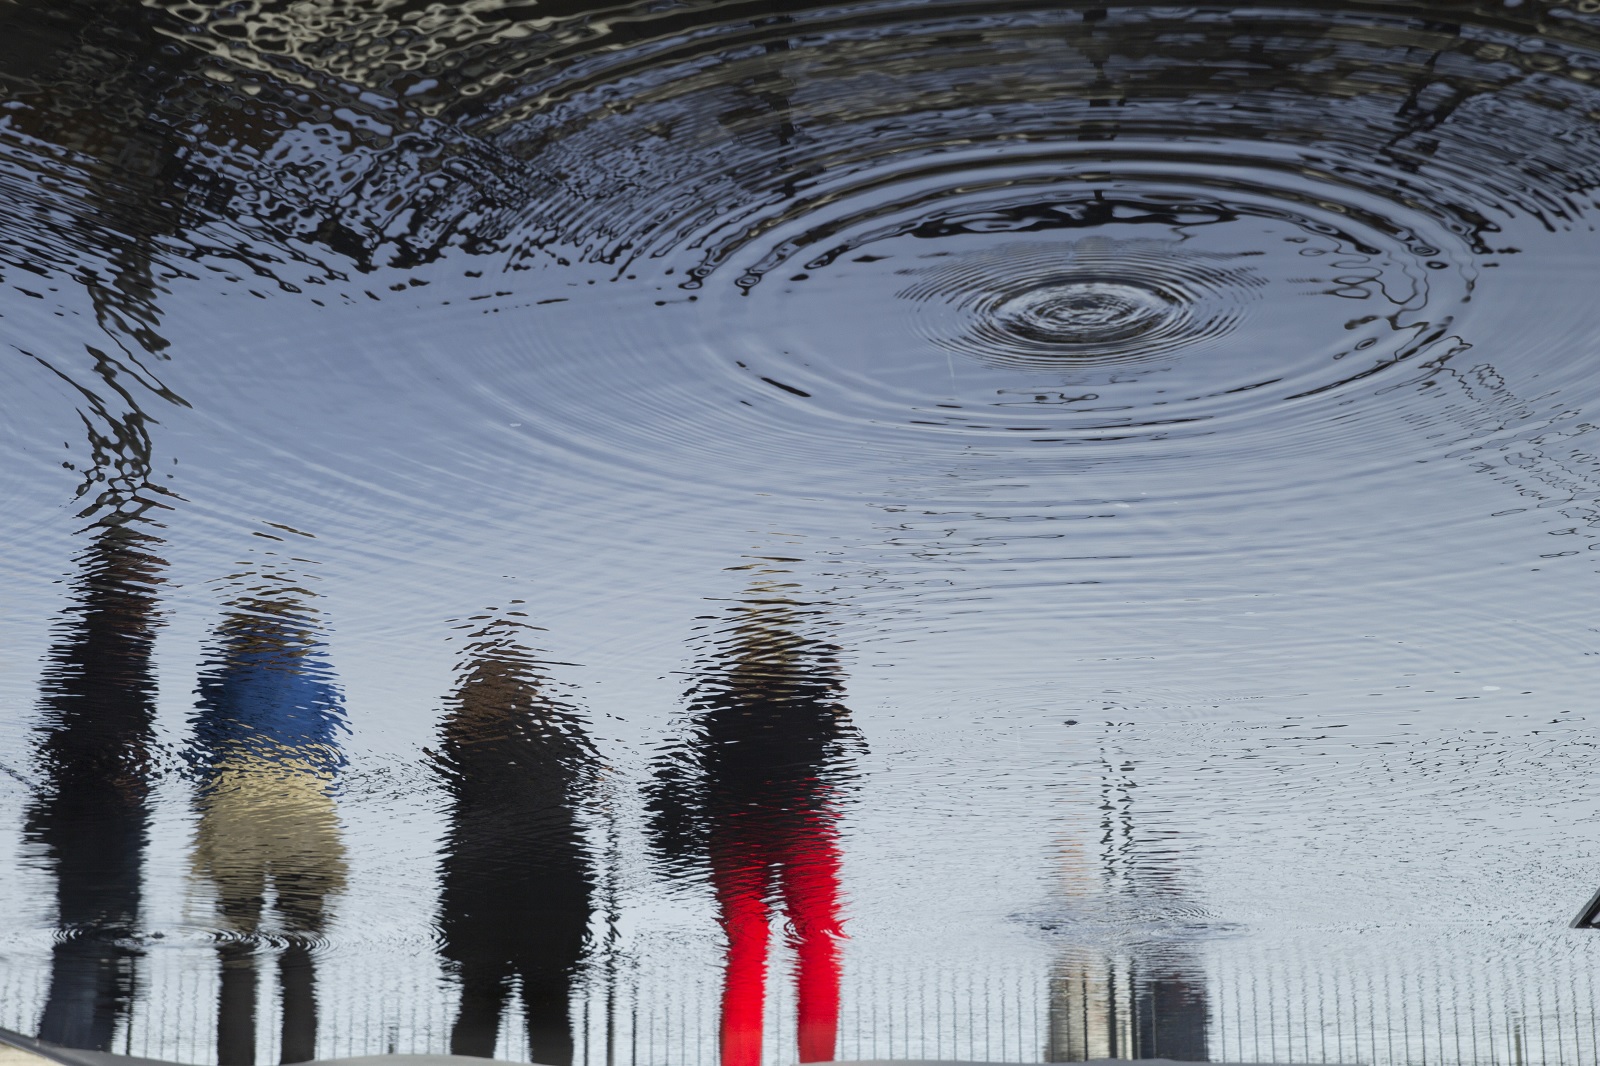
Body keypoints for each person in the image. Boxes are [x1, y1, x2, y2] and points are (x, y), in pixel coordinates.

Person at [648, 579, 862, 1066]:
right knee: (816, 938)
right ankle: (817, 1059)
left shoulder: (715, 696)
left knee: (747, 942)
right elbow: (846, 756)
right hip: (803, 822)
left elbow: (688, 764)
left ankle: (739, 1062)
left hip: (735, 825)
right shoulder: (813, 690)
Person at [188, 563, 348, 1066]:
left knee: (237, 956)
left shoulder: (223, 674)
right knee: (299, 954)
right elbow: (332, 742)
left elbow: (203, 745)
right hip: (304, 811)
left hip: (234, 809)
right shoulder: (316, 670)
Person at [433, 614, 598, 1066]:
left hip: (480, 873)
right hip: (553, 873)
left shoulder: (461, 733)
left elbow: (456, 795)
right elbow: (591, 779)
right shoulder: (559, 727)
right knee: (549, 1002)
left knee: (480, 998)